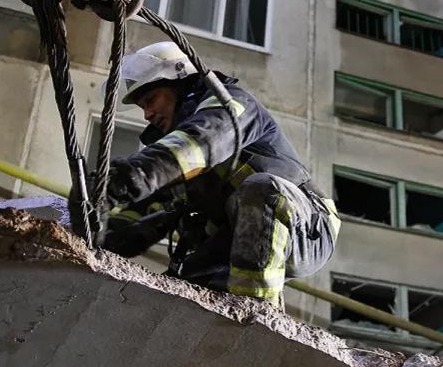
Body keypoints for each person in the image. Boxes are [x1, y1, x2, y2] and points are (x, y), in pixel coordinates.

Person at [96, 41, 339, 307]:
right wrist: (93, 230)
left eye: (151, 100)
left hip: (307, 227)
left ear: (180, 84)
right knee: (179, 293)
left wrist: (131, 176)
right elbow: (143, 211)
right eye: (143, 106)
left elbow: (202, 140)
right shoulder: (179, 160)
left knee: (262, 190)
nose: (147, 114)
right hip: (237, 236)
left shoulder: (231, 103)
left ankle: (258, 316)